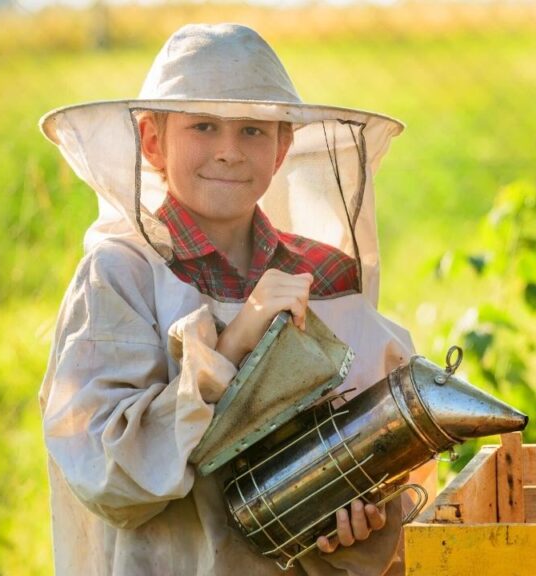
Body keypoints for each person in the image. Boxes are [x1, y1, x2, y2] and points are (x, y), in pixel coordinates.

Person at [38, 23, 428, 575]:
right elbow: (107, 474)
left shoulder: (323, 277)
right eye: (203, 126)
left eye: (251, 130)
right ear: (153, 141)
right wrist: (236, 342)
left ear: (281, 148)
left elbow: (372, 452)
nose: (228, 151)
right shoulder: (120, 276)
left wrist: (360, 512)